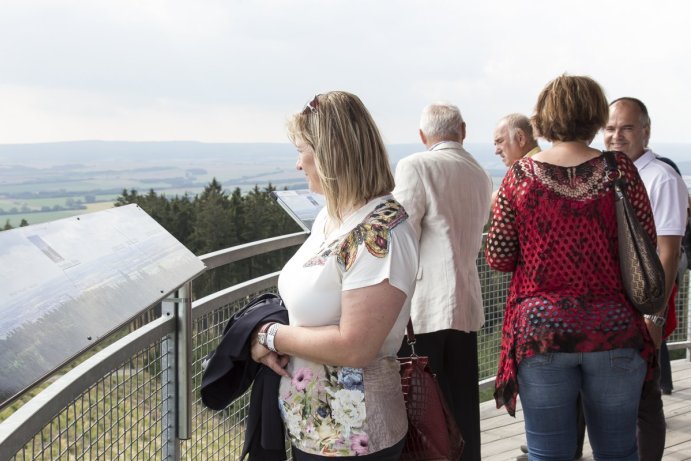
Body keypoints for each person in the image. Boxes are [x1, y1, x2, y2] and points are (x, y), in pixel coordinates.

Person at [486, 75, 656, 460]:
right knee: (618, 452)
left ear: (544, 118)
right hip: (613, 327)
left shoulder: (520, 177)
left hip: (542, 330)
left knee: (548, 453)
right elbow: (644, 241)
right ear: (595, 116)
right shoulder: (620, 170)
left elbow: (497, 257)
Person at [249, 91, 419, 460]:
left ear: (330, 153)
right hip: (315, 429)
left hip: (355, 437)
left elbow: (355, 346)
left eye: (301, 150)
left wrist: (270, 335)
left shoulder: (380, 233)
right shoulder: (333, 217)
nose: (298, 164)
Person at [393, 102, 492, 461]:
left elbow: (400, 232)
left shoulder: (415, 165)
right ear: (462, 130)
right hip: (465, 301)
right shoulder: (480, 172)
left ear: (423, 136)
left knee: (421, 409)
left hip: (425, 305)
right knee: (462, 404)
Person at [492, 113, 585, 461]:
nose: (497, 149)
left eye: (500, 141)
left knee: (551, 434)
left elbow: (500, 254)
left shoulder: (524, 176)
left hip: (542, 315)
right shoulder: (598, 170)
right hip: (604, 318)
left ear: (521, 137)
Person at [604, 97, 688, 461]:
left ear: (645, 132)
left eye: (626, 128)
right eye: (609, 128)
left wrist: (654, 315)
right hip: (613, 304)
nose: (616, 136)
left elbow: (669, 250)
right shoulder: (608, 172)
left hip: (644, 305)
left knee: (643, 398)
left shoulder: (661, 178)